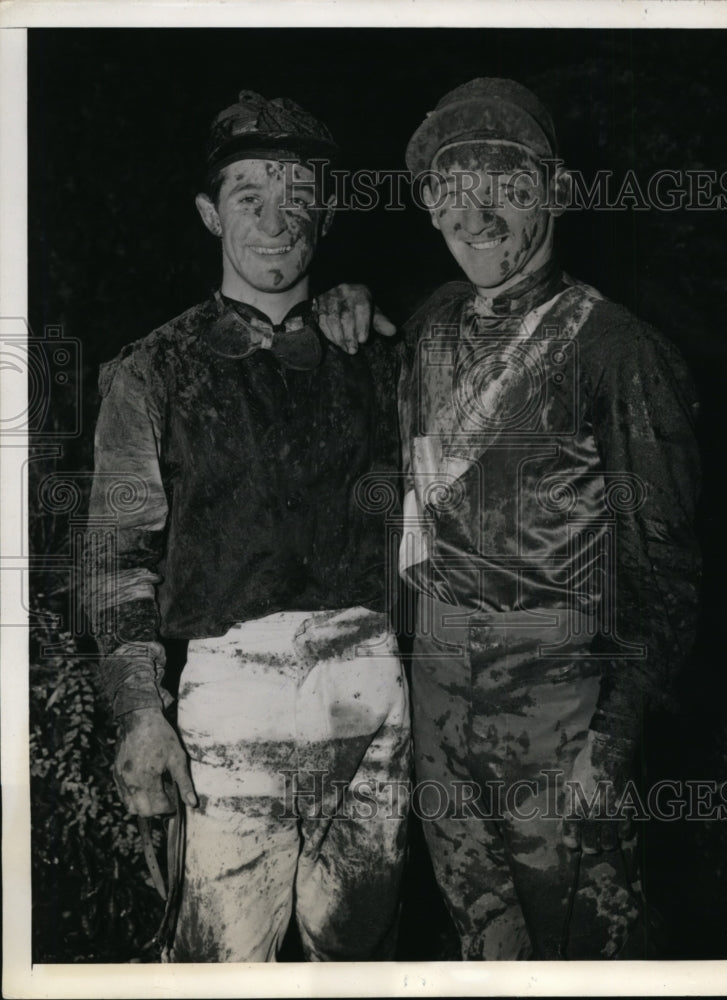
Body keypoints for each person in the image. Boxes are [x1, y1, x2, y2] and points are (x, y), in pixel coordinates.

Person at [325, 77, 702, 960]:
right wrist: (334, 304)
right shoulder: (425, 326)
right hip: (436, 688)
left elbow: (670, 570)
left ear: (559, 192)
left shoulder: (620, 351)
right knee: (482, 941)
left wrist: (611, 739)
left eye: (505, 184)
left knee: (584, 947)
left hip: (561, 699)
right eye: (450, 190)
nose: (476, 213)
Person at [83, 90, 410, 963]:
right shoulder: (152, 371)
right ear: (208, 213)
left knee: (358, 953)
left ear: (328, 212)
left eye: (297, 197)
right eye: (247, 197)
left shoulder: (378, 354)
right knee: (222, 960)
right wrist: (139, 716)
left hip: (369, 685)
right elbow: (119, 560)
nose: (275, 221)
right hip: (228, 695)